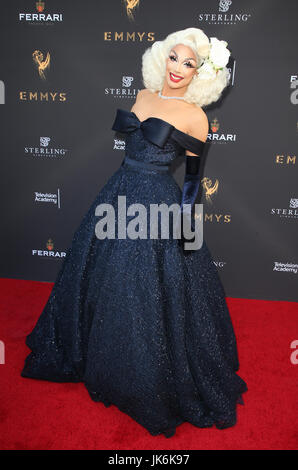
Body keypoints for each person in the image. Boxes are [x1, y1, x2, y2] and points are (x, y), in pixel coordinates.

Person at [21, 27, 247, 438]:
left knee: (148, 287)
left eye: (190, 63)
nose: (179, 68)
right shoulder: (142, 96)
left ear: (201, 73)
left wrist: (183, 225)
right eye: (174, 58)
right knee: (103, 277)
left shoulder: (196, 117)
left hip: (158, 202)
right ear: (162, 57)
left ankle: (145, 377)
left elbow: (194, 181)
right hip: (119, 188)